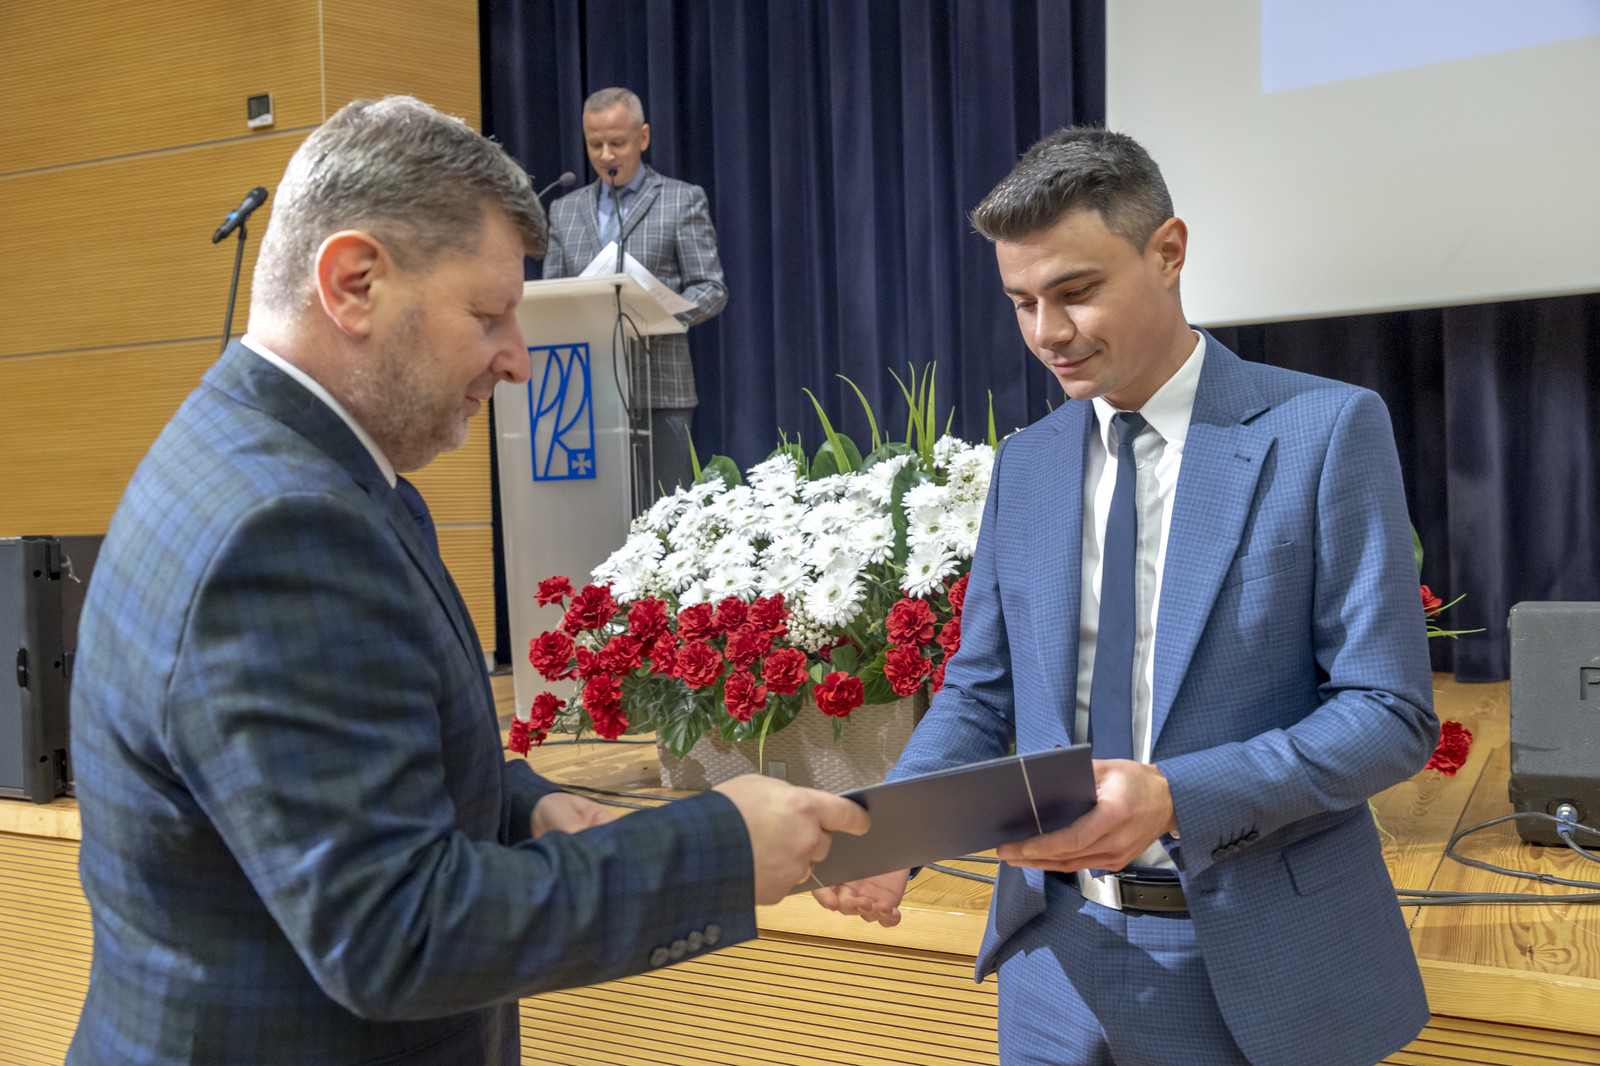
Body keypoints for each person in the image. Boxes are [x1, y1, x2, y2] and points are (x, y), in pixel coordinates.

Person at [67, 95, 865, 1066]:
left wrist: (520, 806)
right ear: (354, 283)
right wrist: (719, 849)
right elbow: (398, 933)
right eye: (488, 315)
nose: (517, 361)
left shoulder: (253, 448)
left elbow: (334, 779)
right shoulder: (285, 527)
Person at [816, 127, 1437, 1066]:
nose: (1046, 333)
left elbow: (1389, 714)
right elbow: (981, 693)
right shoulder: (1026, 464)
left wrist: (1178, 796)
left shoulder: (1323, 430)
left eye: (1075, 292)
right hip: (1048, 963)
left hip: (1251, 967)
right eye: (1021, 302)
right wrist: (891, 833)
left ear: (1169, 252)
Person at [540, 86, 727, 498]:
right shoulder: (565, 210)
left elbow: (711, 287)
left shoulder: (680, 200)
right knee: (595, 510)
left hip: (661, 387)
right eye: (595, 145)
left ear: (643, 137)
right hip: (585, 393)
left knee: (664, 512)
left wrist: (660, 313)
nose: (606, 155)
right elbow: (552, 295)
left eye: (617, 143)